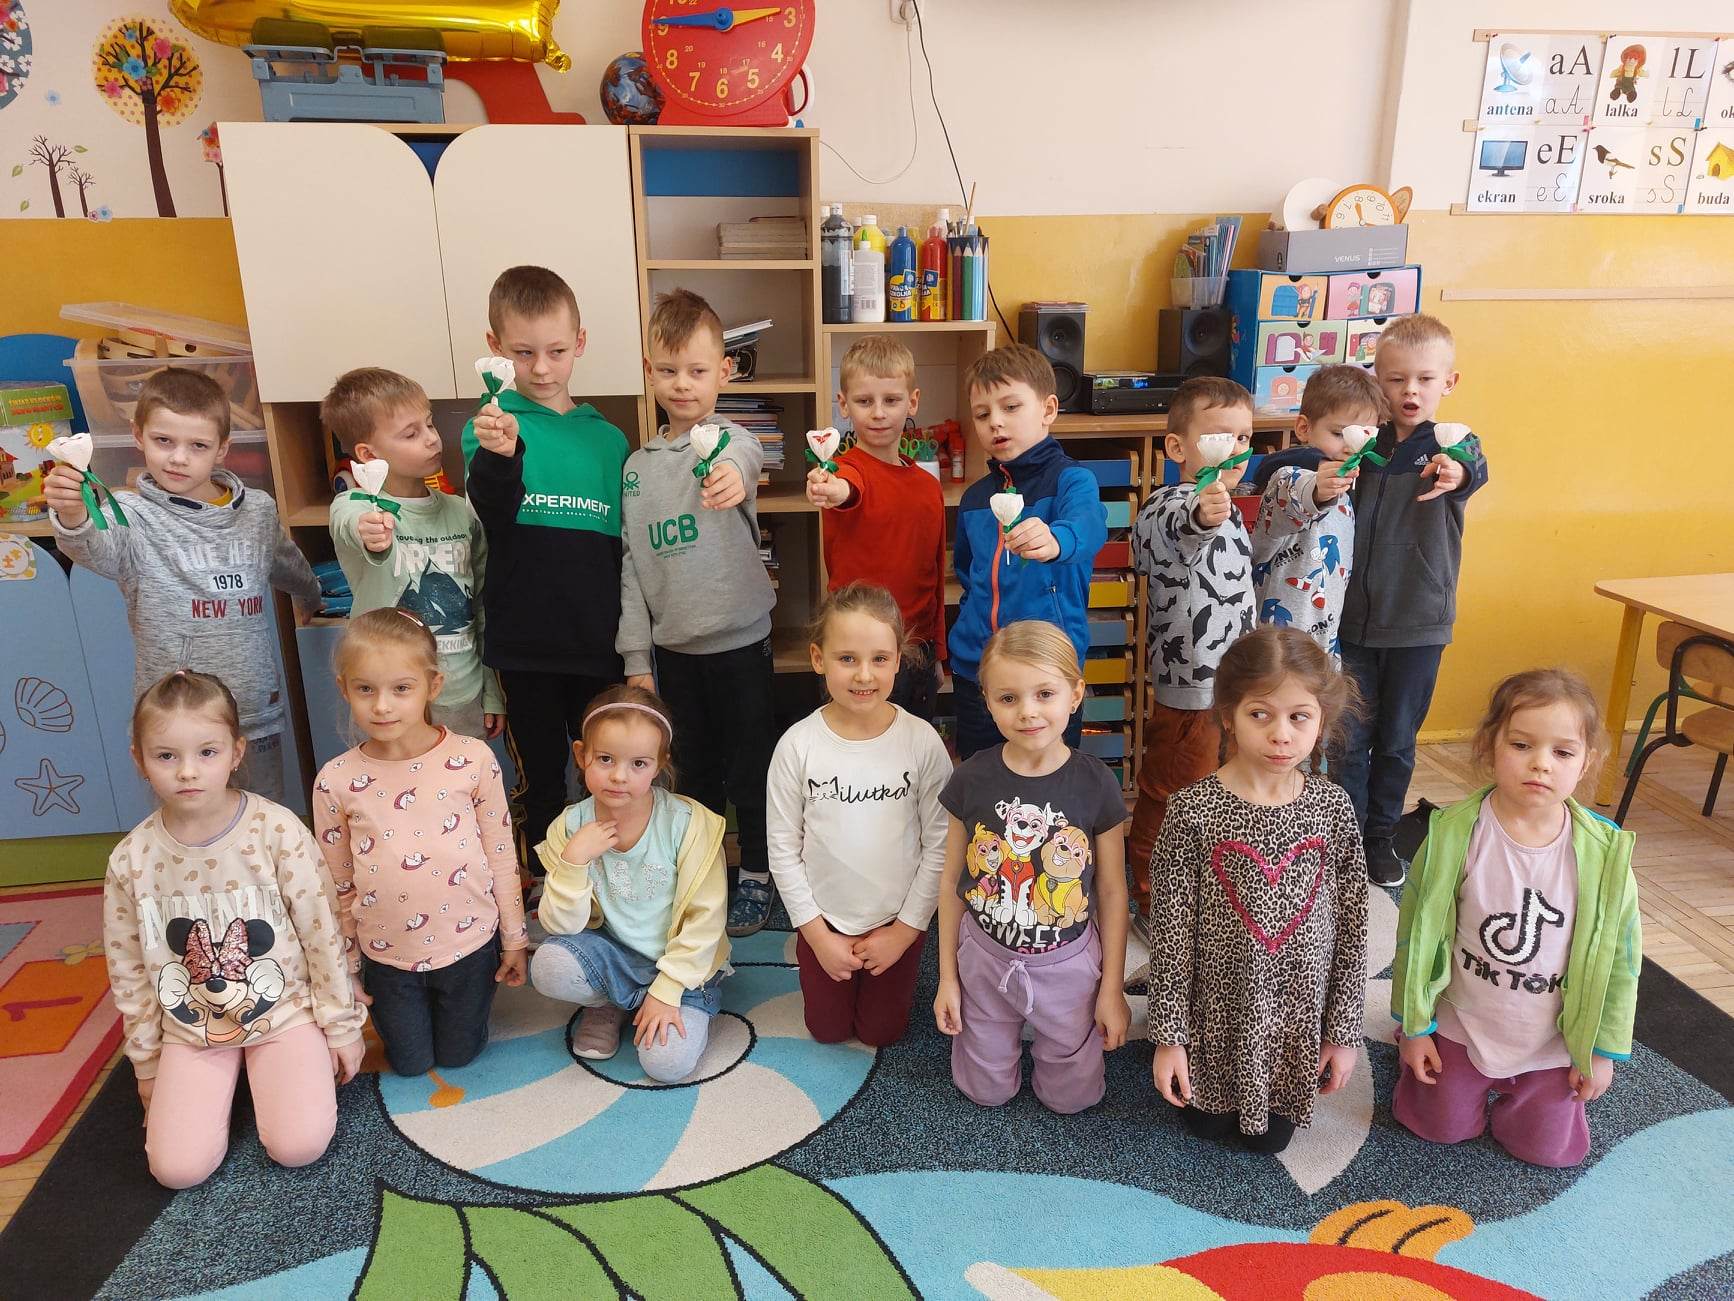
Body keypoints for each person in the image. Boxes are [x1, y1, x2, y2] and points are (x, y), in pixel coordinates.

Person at [102, 670, 363, 1189]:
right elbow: (128, 970)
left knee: (300, 1146)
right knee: (177, 1170)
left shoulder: (278, 831)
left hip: (284, 1015)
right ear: (139, 759)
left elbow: (322, 933)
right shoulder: (131, 859)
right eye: (166, 756)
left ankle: (271, 1077)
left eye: (207, 752)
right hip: (191, 1030)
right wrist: (147, 1065)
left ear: (236, 752)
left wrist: (342, 1026)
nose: (187, 772)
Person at [1391, 668, 1639, 1168]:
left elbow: (1621, 961)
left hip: (1551, 1042)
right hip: (1462, 1027)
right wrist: (1415, 1027)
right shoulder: (1453, 835)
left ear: (1587, 762)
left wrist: (1601, 1050)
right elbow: (1415, 938)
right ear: (1491, 746)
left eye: (1562, 753)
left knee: (1546, 1151)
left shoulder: (1605, 856)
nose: (1541, 764)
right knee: (1435, 1128)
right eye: (1522, 745)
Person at [46, 368, 321, 803]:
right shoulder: (131, 514)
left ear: (222, 448)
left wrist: (310, 596)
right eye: (164, 441)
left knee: (260, 815)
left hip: (252, 710)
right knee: (187, 821)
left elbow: (286, 563)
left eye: (197, 446)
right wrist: (73, 514)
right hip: (176, 719)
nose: (178, 458)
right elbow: (97, 549)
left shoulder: (257, 510)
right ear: (138, 435)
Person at [1147, 627, 1368, 1154]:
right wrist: (1168, 1039)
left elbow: (1355, 928)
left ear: (1322, 720)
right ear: (1228, 716)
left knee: (1271, 1143)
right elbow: (1171, 934)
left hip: (1295, 1019)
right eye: (1260, 714)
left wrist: (1342, 1034)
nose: (1281, 735)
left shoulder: (1333, 808)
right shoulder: (1192, 810)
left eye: (1299, 717)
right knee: (1203, 1128)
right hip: (1214, 1017)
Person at [617, 288, 778, 936]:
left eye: (698, 370)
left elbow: (743, 458)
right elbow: (631, 565)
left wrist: (731, 475)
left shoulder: (733, 441)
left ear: (724, 372)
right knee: (695, 776)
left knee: (751, 768)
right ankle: (706, 871)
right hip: (674, 652)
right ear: (649, 371)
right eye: (668, 369)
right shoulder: (636, 468)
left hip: (741, 643)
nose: (682, 383)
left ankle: (758, 873)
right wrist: (636, 657)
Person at [310, 609, 528, 1077]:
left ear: (433, 685)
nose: (382, 706)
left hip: (469, 946)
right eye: (365, 689)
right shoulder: (335, 780)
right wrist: (347, 966)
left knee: (459, 1055)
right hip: (386, 955)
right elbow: (336, 884)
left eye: (401, 688)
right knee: (409, 1064)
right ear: (344, 688)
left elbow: (501, 857)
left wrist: (514, 939)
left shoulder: (473, 759)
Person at [462, 265, 631, 863]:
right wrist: (501, 453)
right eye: (523, 352)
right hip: (524, 648)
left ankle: (609, 882)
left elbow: (625, 549)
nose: (540, 368)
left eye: (556, 351)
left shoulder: (610, 439)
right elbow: (492, 508)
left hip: (599, 643)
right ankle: (541, 886)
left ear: (579, 343)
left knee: (610, 774)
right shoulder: (490, 427)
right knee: (539, 780)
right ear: (495, 349)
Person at [933, 621, 1130, 1113]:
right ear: (986, 700)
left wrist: (1111, 989)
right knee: (985, 1092)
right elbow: (952, 882)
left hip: (1068, 968)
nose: (1028, 711)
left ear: (1075, 694)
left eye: (1045, 693)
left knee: (1073, 1100)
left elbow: (1111, 892)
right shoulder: (971, 777)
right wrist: (947, 979)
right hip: (984, 963)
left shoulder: (1097, 783)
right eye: (1008, 698)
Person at [1336, 313, 1489, 887]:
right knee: (1348, 738)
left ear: (1449, 382)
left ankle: (1379, 837)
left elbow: (1471, 469)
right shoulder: (1362, 442)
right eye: (1396, 379)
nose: (1411, 391)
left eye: (1425, 379)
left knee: (1396, 740)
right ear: (1377, 379)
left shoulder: (1453, 444)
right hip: (1352, 622)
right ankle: (1345, 837)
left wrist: (1456, 473)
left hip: (1419, 624)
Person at [766, 583, 951, 1045]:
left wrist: (904, 932)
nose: (864, 675)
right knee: (826, 1030)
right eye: (847, 658)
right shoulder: (797, 745)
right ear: (818, 659)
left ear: (898, 659)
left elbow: (941, 846)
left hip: (896, 920)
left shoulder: (922, 741)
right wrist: (817, 936)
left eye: (879, 659)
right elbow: (783, 851)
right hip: (824, 921)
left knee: (881, 1033)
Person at [529, 684, 731, 1083]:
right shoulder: (569, 826)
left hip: (684, 966)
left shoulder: (689, 825)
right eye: (605, 759)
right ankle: (610, 1002)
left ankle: (669, 1000)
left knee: (666, 1065)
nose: (619, 776)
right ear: (581, 755)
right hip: (615, 957)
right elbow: (559, 926)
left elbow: (706, 921)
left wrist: (668, 990)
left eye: (639, 763)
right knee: (549, 966)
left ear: (660, 763)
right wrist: (573, 862)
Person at [1126, 377, 1257, 912]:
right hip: (1190, 689)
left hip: (1235, 686)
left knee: (1227, 790)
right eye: (1220, 437)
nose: (1236, 449)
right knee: (1171, 791)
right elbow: (1182, 526)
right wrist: (1201, 512)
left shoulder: (1232, 509)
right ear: (1177, 448)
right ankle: (1152, 899)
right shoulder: (1169, 503)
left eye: (1244, 438)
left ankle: (1212, 885)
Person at [948, 345, 1108, 759]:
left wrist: (1057, 541)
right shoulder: (975, 498)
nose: (995, 422)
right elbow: (968, 573)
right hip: (978, 668)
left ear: (1048, 409)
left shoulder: (1072, 481)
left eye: (1011, 406)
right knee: (982, 774)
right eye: (982, 414)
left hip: (1047, 671)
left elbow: (1089, 526)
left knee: (1049, 777)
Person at [324, 366, 502, 739]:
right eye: (411, 433)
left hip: (461, 693)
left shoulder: (460, 512)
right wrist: (369, 532)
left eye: (430, 424)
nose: (432, 439)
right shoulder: (355, 506)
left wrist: (492, 691)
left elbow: (484, 604)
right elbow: (351, 524)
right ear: (369, 453)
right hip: (386, 701)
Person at [805, 335, 947, 721]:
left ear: (912, 401)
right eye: (865, 401)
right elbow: (848, 489)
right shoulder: (845, 470)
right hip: (858, 653)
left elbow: (934, 575)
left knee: (912, 747)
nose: (879, 413)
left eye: (891, 400)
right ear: (844, 405)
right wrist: (832, 488)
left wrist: (939, 652)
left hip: (917, 651)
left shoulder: (928, 486)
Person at [1247, 365, 1386, 659]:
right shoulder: (1287, 477)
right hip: (1276, 645)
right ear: (1303, 428)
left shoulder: (1347, 493)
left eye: (1362, 437)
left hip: (1325, 641)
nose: (1349, 448)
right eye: (1338, 433)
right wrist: (1318, 486)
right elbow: (1292, 487)